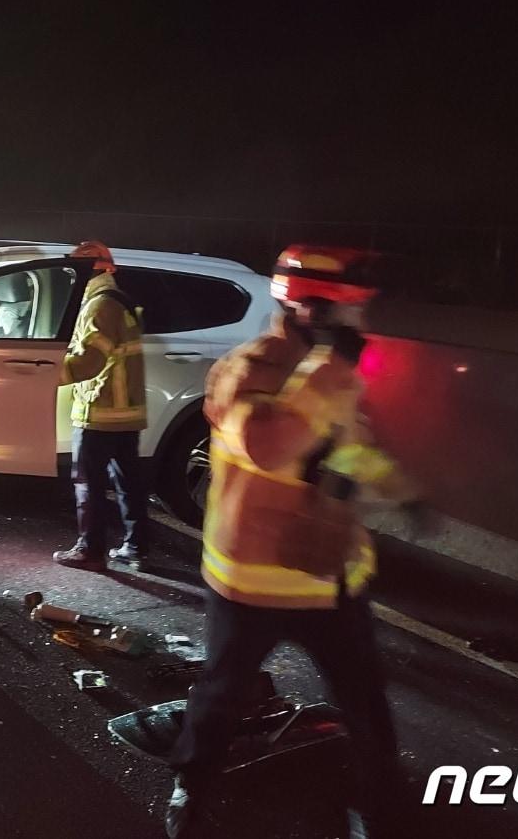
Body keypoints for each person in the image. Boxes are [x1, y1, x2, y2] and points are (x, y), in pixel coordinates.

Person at [164, 245, 428, 839]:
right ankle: (192, 784)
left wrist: (399, 488)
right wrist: (329, 373)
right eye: (352, 311)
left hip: (331, 576)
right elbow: (269, 447)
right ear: (314, 311)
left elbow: (347, 446)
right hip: (253, 582)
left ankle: (380, 803)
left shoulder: (328, 374)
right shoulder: (248, 369)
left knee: (365, 704)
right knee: (223, 696)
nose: (363, 323)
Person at [52, 240, 150, 571]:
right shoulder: (117, 300)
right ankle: (135, 547)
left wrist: (47, 373)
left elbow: (89, 362)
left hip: (100, 413)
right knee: (128, 482)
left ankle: (89, 550)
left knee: (89, 484)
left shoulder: (99, 306)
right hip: (125, 413)